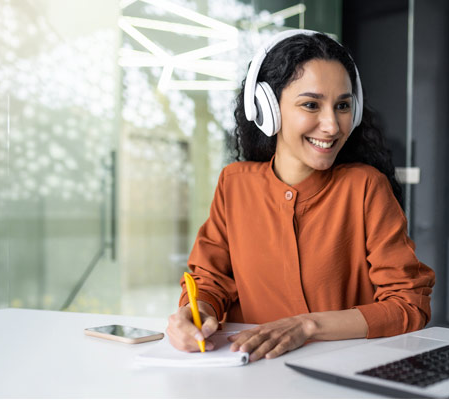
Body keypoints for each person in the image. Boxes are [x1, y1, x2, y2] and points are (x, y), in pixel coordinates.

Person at [165, 29, 435, 363]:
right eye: (311, 104)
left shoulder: (366, 188)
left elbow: (409, 304)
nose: (333, 126)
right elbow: (210, 281)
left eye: (343, 106)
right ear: (267, 109)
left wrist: (306, 326)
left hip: (341, 375)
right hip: (250, 374)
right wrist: (196, 312)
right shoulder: (234, 185)